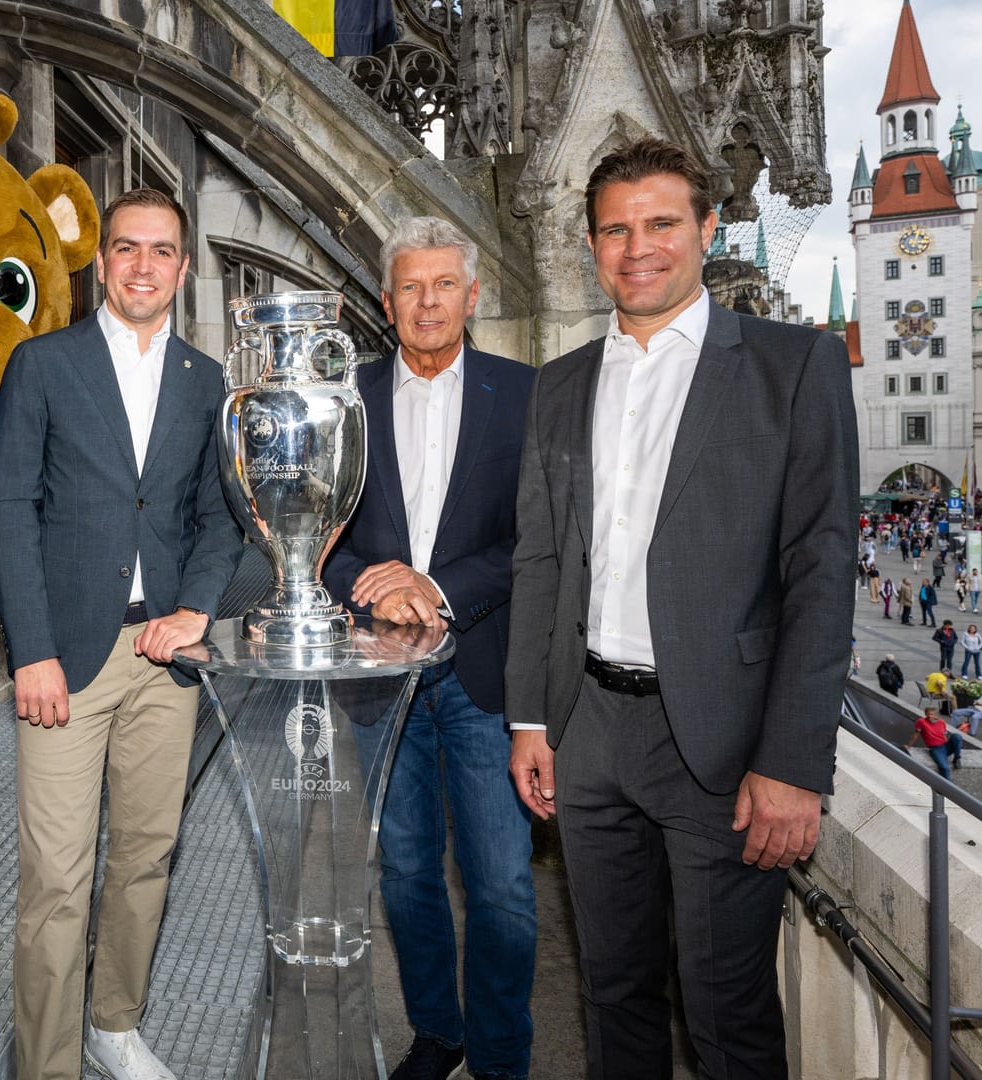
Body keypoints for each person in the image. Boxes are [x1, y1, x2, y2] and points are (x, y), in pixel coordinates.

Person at [505, 138, 856, 1079]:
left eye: (661, 223)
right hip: (588, 732)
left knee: (725, 1012)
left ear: (707, 229)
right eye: (615, 230)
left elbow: (821, 575)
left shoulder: (795, 367)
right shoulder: (561, 384)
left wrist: (791, 764)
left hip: (722, 740)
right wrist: (533, 717)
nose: (637, 247)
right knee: (613, 994)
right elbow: (543, 559)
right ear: (590, 246)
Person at [0, 188, 244, 1080]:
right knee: (57, 877)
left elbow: (218, 518)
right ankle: (45, 1064)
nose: (143, 265)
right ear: (102, 262)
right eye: (126, 248)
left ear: (182, 267)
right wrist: (32, 651)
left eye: (162, 251)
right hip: (67, 657)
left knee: (145, 858)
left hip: (162, 662)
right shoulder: (43, 364)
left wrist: (197, 610)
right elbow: (11, 508)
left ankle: (114, 1025)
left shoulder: (205, 382)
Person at [319, 216, 539, 1080]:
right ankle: (437, 1035)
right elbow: (311, 535)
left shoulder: (524, 395)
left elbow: (541, 538)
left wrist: (437, 591)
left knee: (503, 889)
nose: (428, 301)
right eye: (410, 286)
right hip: (379, 677)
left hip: (484, 671)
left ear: (473, 295)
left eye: (444, 284)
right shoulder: (348, 400)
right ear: (386, 301)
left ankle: (500, 1053)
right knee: (406, 873)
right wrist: (372, 579)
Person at [909, 705, 956, 779]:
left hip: (945, 746)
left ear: (936, 715)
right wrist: (908, 746)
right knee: (945, 768)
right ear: (926, 714)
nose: (931, 716)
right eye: (929, 714)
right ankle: (947, 788)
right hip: (936, 748)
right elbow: (915, 735)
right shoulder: (921, 722)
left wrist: (946, 747)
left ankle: (957, 758)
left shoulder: (941, 722)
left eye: (933, 714)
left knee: (957, 736)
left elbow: (944, 736)